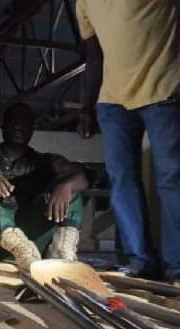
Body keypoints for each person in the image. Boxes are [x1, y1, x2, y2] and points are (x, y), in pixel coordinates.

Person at [76, 0, 180, 286]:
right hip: (112, 101)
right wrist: (86, 109)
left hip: (164, 89)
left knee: (171, 177)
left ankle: (177, 265)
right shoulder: (85, 2)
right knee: (122, 180)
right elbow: (93, 56)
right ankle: (140, 261)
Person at [0, 103, 88, 272]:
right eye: (13, 121)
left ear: (32, 128)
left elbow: (82, 177)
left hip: (34, 245)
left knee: (69, 188)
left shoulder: (44, 161)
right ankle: (20, 248)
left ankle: (62, 253)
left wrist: (66, 186)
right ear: (3, 125)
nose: (18, 126)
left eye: (24, 122)